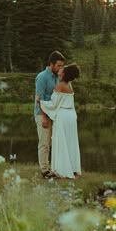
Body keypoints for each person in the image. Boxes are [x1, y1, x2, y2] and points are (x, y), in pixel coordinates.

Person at [38, 63, 81, 179]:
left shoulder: (60, 85)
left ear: (65, 73)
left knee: (61, 142)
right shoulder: (69, 85)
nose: (60, 70)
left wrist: (40, 102)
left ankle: (61, 170)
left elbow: (53, 104)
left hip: (63, 116)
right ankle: (73, 169)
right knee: (71, 142)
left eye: (62, 69)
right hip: (71, 115)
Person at [34, 50, 65, 178]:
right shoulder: (42, 77)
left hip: (54, 115)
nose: (60, 68)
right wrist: (45, 118)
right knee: (44, 143)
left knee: (53, 143)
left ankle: (54, 168)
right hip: (42, 115)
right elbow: (39, 98)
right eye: (58, 65)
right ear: (51, 64)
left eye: (62, 66)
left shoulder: (57, 77)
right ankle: (45, 171)